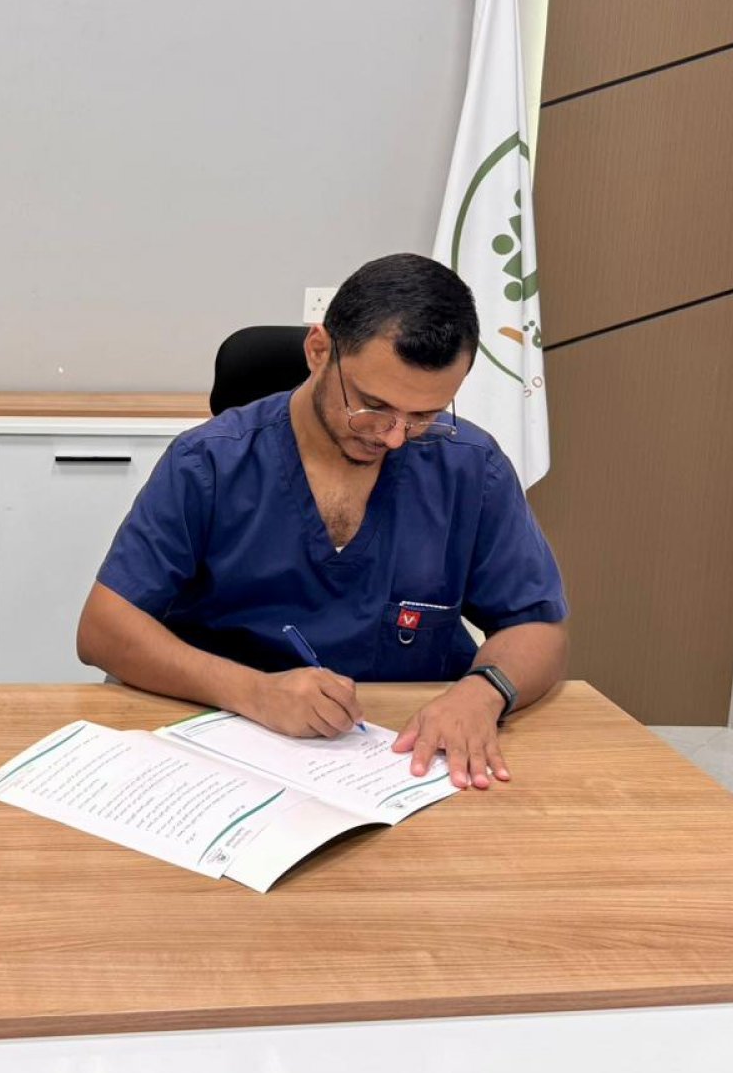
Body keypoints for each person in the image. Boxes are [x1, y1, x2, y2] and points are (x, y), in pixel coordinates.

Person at [77, 253, 568, 791]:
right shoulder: (210, 463)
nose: (394, 437)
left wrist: (483, 692)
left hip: (404, 764)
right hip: (226, 754)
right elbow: (104, 629)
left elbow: (537, 625)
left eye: (424, 415)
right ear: (318, 351)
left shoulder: (470, 467)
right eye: (373, 406)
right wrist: (255, 692)